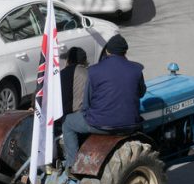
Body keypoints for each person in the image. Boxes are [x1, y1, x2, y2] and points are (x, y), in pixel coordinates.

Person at [61, 35, 146, 172]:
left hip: (99, 124)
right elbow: (141, 93)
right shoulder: (136, 70)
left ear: (107, 51)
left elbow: (87, 101)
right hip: (130, 124)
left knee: (68, 123)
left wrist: (88, 113)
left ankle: (72, 164)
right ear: (125, 52)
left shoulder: (94, 71)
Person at [59, 46, 89, 118]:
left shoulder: (62, 74)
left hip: (71, 116)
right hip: (89, 113)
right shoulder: (89, 73)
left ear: (68, 60)